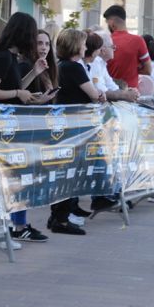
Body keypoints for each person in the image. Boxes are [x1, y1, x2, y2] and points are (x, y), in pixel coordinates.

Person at [0, 12, 54, 243]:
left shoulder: (8, 58)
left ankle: (0, 230)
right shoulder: (2, 57)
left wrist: (33, 77)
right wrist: (20, 93)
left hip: (0, 127)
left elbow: (14, 88)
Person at [48, 28, 105, 235]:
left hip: (63, 126)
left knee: (62, 172)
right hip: (75, 127)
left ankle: (57, 215)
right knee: (69, 173)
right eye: (82, 44)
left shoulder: (61, 66)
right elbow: (93, 94)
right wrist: (101, 95)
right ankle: (61, 219)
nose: (85, 47)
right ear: (75, 46)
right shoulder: (74, 68)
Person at [103, 4, 151, 88]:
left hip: (108, 93)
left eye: (107, 23)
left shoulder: (104, 41)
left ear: (112, 23)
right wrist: (133, 69)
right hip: (131, 94)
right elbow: (148, 70)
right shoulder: (138, 41)